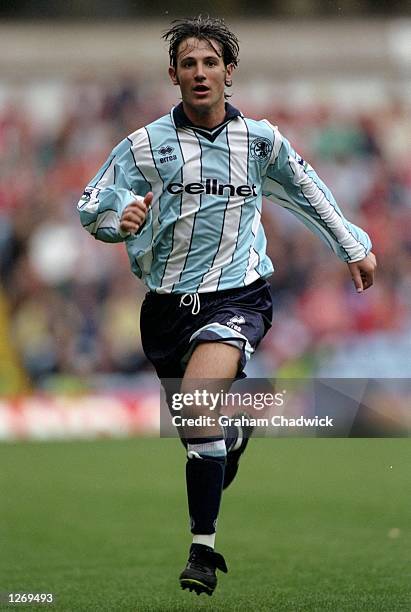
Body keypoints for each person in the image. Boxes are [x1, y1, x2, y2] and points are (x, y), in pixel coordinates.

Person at [77, 16, 377, 597]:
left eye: (210, 62)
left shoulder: (259, 141)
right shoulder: (146, 144)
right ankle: (231, 435)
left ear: (229, 72)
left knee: (193, 406)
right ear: (173, 75)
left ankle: (203, 552)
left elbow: (306, 188)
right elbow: (93, 198)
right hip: (165, 307)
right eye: (188, 64)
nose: (200, 73)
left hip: (239, 295)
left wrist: (353, 245)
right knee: (200, 430)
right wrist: (120, 220)